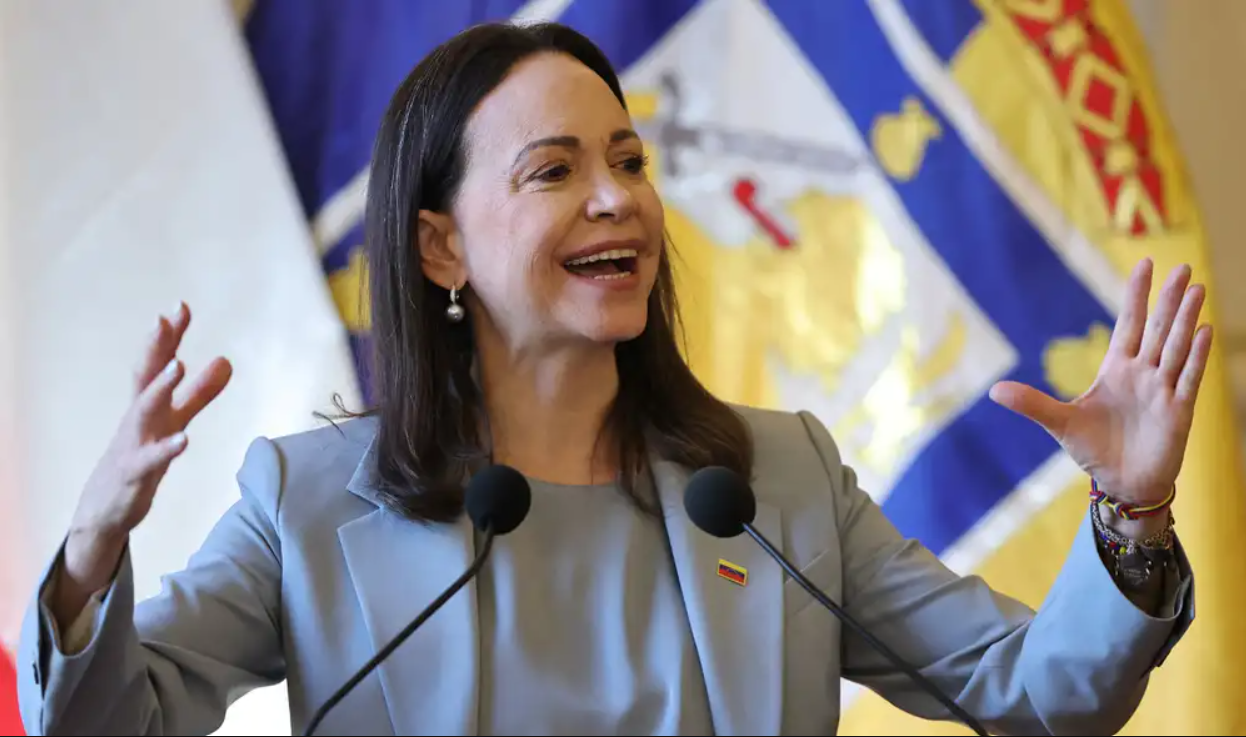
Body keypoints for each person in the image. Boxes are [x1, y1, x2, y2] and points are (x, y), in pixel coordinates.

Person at [16, 20, 1205, 737]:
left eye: (628, 161)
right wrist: (90, 548)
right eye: (554, 171)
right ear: (440, 246)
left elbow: (1040, 696)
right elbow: (112, 722)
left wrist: (1133, 510)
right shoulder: (310, 503)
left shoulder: (778, 481)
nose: (615, 198)